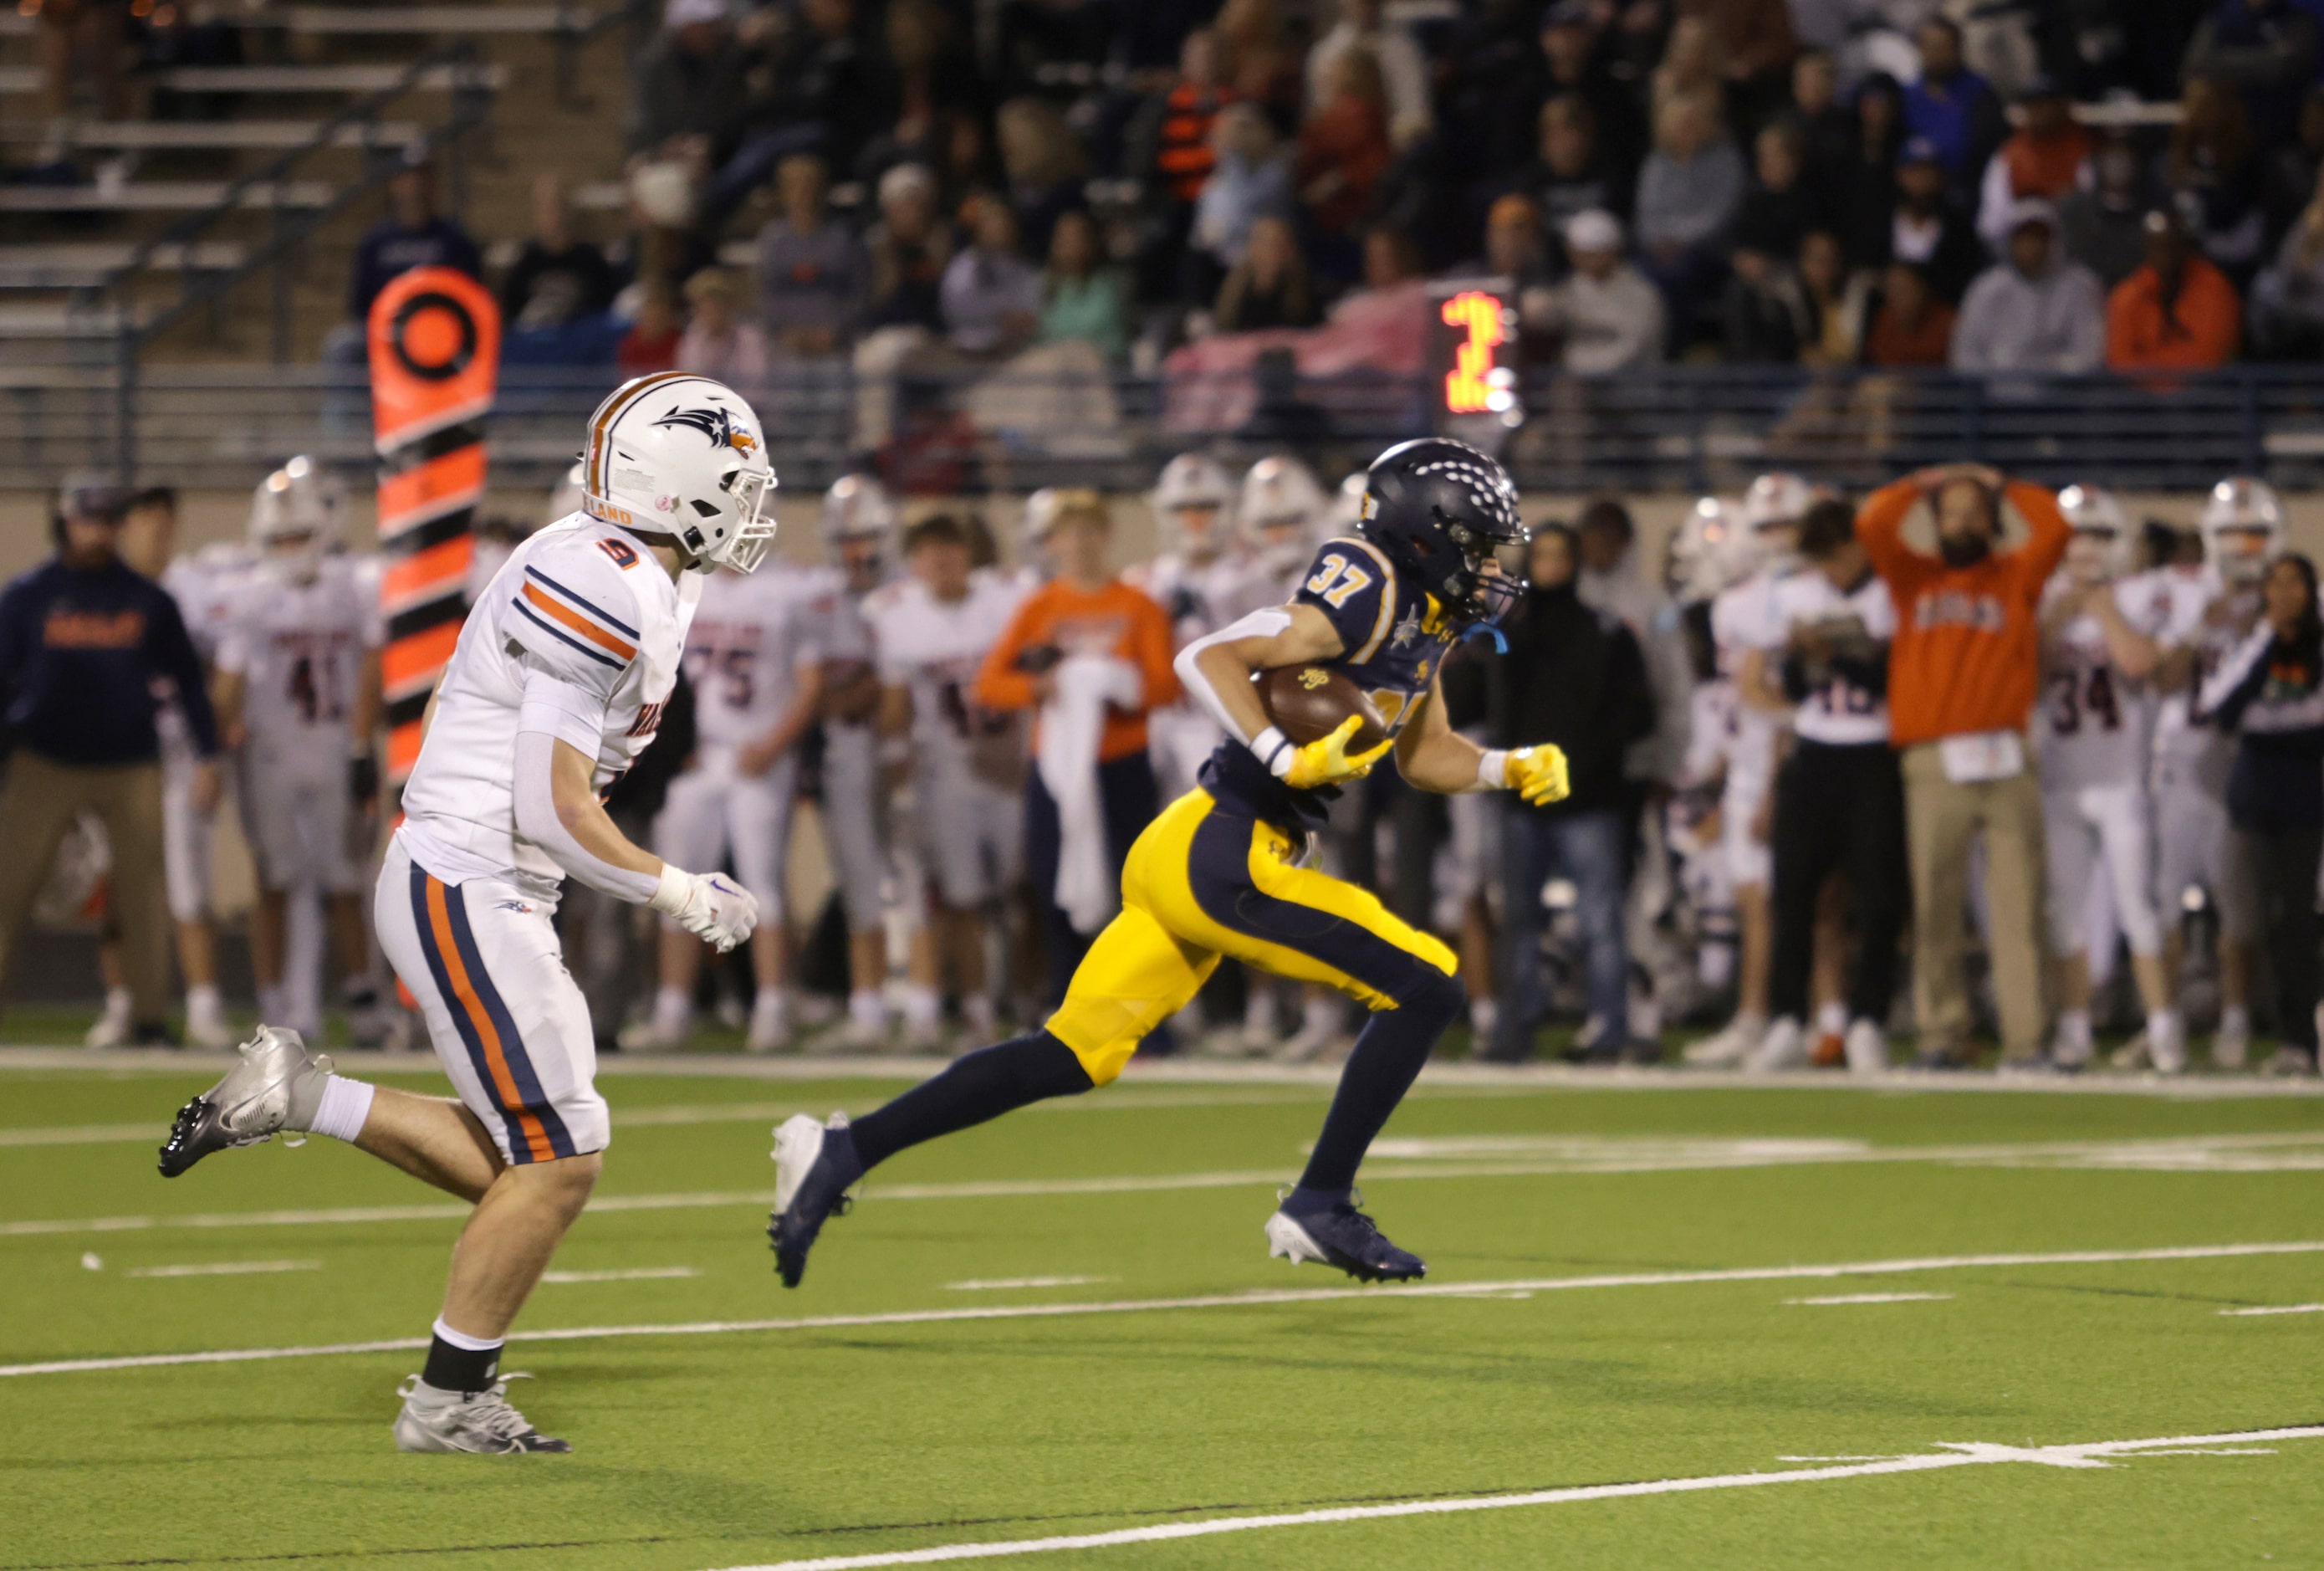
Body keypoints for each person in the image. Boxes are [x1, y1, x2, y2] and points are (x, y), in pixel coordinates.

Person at [769, 438, 1568, 1290]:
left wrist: (1502, 767)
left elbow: (1422, 753)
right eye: (1476, 542)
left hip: (1198, 846)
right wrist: (1280, 752)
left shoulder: (1425, 619)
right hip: (1225, 850)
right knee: (1428, 985)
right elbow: (1206, 655)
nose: (1489, 565)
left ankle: (842, 1150)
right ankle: (1319, 1201)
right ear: (1423, 532)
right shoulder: (1363, 584)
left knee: (1071, 1055)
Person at [157, 372, 774, 1453]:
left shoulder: (624, 570)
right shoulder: (605, 581)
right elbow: (550, 797)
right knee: (561, 1156)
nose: (750, 502)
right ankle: (447, 1399)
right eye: (733, 481)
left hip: (484, 873)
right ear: (674, 485)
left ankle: (301, 1094)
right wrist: (678, 888)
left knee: (528, 1157)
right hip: (469, 878)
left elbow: (472, 713)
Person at [1857, 463, 2070, 1068]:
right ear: (1934, 521)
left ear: (1992, 521)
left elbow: (2054, 529)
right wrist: (1923, 484)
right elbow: (1871, 521)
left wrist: (2003, 485)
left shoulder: (2014, 575)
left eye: (1974, 512)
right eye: (1949, 511)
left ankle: (2027, 1039)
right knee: (1933, 904)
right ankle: (1941, 1033)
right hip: (1933, 759)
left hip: (2004, 757)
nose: (1962, 521)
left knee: (2018, 903)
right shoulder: (1911, 577)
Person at [0, 476, 223, 1045]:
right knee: (8, 885)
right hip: (42, 761)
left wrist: (209, 754)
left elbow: (188, 684)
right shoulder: (29, 596)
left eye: (108, 521)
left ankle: (148, 1016)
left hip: (129, 763)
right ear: (66, 524)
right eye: (89, 520)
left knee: (143, 891)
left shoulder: (147, 600)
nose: (100, 532)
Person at [626, 492, 835, 1055]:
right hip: (699, 757)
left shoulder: (789, 591)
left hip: (757, 755)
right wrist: (674, 745)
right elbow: (658, 674)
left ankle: (772, 1007)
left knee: (762, 883)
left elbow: (812, 686)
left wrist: (773, 745)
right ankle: (674, 1009)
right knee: (678, 886)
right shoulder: (685, 585)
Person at [973, 490, 1178, 1000]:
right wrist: (1039, 689)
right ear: (1052, 542)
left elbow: (1165, 686)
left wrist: (1119, 685)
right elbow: (989, 684)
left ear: (1107, 535)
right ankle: (1068, 998)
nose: (1080, 544)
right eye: (1069, 533)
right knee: (1051, 880)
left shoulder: (1138, 605)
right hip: (1057, 766)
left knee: (1136, 889)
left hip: (1121, 761)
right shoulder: (1041, 607)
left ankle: (1140, 1006)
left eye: (1090, 530)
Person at [212, 463, 386, 1044]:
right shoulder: (248, 596)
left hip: (335, 748)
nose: (290, 549)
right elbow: (230, 684)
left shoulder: (353, 584)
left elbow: (372, 669)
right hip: (272, 755)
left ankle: (363, 996)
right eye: (279, 539)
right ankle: (273, 1006)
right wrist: (214, 752)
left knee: (344, 878)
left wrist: (363, 745)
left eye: (299, 536)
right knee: (274, 880)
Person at [1470, 523, 1655, 1062]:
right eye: (1542, 556)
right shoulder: (1508, 633)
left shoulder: (1604, 630)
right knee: (1519, 919)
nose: (1551, 566)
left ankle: (1608, 1026)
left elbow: (1636, 714)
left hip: (1589, 798)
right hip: (1521, 796)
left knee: (1601, 918)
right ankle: (1514, 1026)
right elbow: (1479, 704)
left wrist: (1591, 767)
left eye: (1560, 556)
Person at [2035, 485, 2185, 1072]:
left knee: (2136, 908)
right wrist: (2055, 618)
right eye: (2075, 536)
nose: (2085, 548)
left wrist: (2100, 608)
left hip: (2122, 779)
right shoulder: (2042, 599)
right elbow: (2025, 676)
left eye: (2097, 536)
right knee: (2065, 912)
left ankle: (2163, 1028)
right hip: (2061, 780)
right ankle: (2073, 1028)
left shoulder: (2137, 595)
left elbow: (2140, 664)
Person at [871, 514, 1033, 1046]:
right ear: (913, 564)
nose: (941, 563)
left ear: (969, 554)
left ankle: (1034, 1001)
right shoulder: (898, 616)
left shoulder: (1007, 599)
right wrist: (894, 761)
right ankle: (979, 1009)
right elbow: (895, 705)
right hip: (947, 774)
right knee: (962, 896)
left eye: (950, 550)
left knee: (1025, 889)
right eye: (928, 554)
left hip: (1012, 766)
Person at [1753, 499, 1902, 1073]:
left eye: (1836, 558)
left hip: (1872, 752)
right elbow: (1791, 687)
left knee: (1878, 896)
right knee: (1791, 891)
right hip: (1814, 751)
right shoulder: (1798, 594)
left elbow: (1888, 681)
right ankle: (1787, 1018)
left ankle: (1867, 1019)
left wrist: (1837, 656)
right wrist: (1802, 657)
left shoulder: (1888, 594)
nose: (1831, 573)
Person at [2153, 477, 2286, 1068]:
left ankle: (2235, 1015)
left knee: (2241, 904)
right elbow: (2160, 679)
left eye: (2253, 532)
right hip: (2185, 760)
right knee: (2163, 900)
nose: (2240, 544)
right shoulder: (2179, 593)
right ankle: (2168, 1018)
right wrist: (2201, 623)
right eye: (2230, 532)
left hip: (2258, 759)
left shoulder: (2291, 596)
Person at [1687, 473, 1811, 1067]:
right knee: (1749, 902)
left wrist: (1776, 778)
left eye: (1785, 523)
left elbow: (1783, 699)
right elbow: (1735, 700)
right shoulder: (1733, 604)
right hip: (1745, 767)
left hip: (1783, 765)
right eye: (1765, 525)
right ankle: (1761, 1014)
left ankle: (1774, 1016)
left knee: (1777, 904)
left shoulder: (1808, 593)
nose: (1775, 536)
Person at [2196, 550, 2324, 1077]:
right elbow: (2220, 706)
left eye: (2297, 583)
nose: (2286, 593)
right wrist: (2265, 639)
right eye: (2278, 583)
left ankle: (2301, 1036)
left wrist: (2268, 718)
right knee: (2250, 920)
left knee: (2300, 919)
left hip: (2307, 793)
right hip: (2254, 795)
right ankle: (2266, 1028)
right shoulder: (2251, 643)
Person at [1951, 199, 2107, 376]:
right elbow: (1965, 355)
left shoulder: (2081, 286)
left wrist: (2040, 369)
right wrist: (2001, 373)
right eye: (2023, 237)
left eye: (2039, 237)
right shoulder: (1986, 288)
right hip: (1995, 396)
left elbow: (2090, 355)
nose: (2031, 245)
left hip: (2064, 396)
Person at [754, 153, 871, 361]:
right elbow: (765, 293)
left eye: (810, 186)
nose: (803, 194)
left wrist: (835, 332)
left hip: (837, 347)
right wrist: (784, 332)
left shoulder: (845, 239)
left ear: (823, 189)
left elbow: (860, 293)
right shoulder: (773, 241)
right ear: (782, 192)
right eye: (794, 186)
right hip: (786, 347)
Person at [2106, 207, 2243, 373]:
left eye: (2171, 245)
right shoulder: (2127, 296)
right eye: (2156, 247)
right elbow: (2121, 362)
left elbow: (2213, 357)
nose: (2165, 256)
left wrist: (2157, 372)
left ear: (2184, 246)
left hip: (2203, 395)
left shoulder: (2215, 289)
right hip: (2140, 397)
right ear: (2145, 249)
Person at [348, 159, 482, 326]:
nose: (414, 186)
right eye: (407, 178)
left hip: (440, 328)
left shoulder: (455, 240)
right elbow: (360, 303)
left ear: (433, 184)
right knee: (345, 345)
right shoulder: (376, 241)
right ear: (394, 184)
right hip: (385, 328)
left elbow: (472, 296)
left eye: (421, 178)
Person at [1974, 75, 2095, 253]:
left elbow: (2091, 213)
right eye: (2035, 104)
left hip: (2071, 251)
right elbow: (1991, 224)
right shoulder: (2010, 154)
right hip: (2020, 250)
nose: (2041, 110)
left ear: (2062, 106)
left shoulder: (2083, 151)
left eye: (2048, 103)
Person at [1541, 208, 1667, 371]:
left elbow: (1634, 348)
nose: (1579, 258)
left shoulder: (1642, 294)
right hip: (1580, 384)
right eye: (1576, 251)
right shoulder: (1569, 289)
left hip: (1632, 387)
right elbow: (1550, 319)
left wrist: (1584, 371)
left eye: (1589, 253)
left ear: (1610, 252)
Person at [498, 175, 616, 334]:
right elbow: (512, 309)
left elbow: (603, 306)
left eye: (557, 209)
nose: (553, 217)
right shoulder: (527, 259)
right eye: (545, 210)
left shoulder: (590, 258)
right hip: (537, 342)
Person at [1900, 16, 2003, 186]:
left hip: (1968, 190)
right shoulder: (1907, 96)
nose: (1935, 55)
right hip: (1918, 196)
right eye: (1929, 47)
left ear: (1958, 49)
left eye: (1942, 48)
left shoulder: (1979, 94)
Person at [940, 198, 1043, 358]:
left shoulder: (1024, 268)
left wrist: (1020, 319)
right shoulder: (963, 267)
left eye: (1004, 222)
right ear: (979, 229)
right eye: (992, 222)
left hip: (1015, 352)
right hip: (968, 350)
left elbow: (1033, 310)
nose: (999, 228)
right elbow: (955, 309)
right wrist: (1001, 316)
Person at [1037, 208, 1127, 360]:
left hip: (1096, 365)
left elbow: (1113, 342)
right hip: (1046, 367)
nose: (1066, 244)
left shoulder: (1108, 288)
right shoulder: (1041, 284)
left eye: (1074, 237)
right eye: (1062, 237)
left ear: (1090, 242)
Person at [1213, 213, 1320, 331]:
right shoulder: (1236, 286)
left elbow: (1310, 328)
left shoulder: (1302, 286)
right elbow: (1225, 326)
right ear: (1252, 246)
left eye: (1278, 243)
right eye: (1264, 242)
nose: (1271, 249)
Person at [673, 268, 769, 388]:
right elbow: (687, 379)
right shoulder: (693, 337)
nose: (713, 313)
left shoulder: (750, 338)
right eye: (706, 308)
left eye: (717, 307)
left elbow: (755, 380)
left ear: (729, 307)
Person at [1863, 259, 1957, 366]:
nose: (1895, 298)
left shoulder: (1948, 323)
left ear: (1922, 289)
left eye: (1902, 290)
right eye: (1891, 290)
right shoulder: (1885, 319)